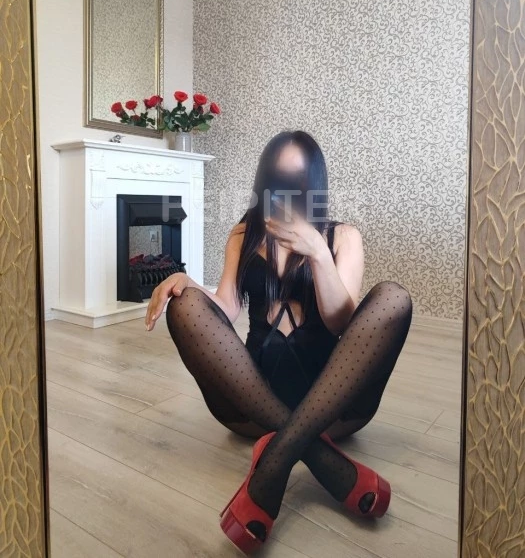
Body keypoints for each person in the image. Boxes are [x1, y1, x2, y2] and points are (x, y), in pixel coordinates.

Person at [145, 130, 412, 554]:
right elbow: (226, 307)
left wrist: (318, 253)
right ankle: (321, 458)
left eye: (297, 180)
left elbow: (343, 323)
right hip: (252, 404)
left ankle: (278, 455)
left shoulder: (343, 237)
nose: (286, 191)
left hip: (333, 408)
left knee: (394, 298)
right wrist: (185, 281)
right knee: (185, 305)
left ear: (314, 183)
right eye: (277, 178)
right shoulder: (243, 234)